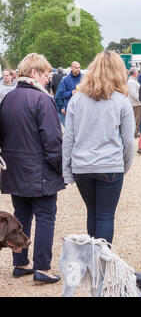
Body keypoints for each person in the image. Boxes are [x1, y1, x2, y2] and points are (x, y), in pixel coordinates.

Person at [0, 53, 64, 283]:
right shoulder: (43, 100)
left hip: (14, 169)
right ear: (35, 73)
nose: (48, 79)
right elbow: (53, 141)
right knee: (46, 217)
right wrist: (59, 169)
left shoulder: (8, 98)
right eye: (46, 74)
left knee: (21, 216)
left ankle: (20, 262)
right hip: (40, 171)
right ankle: (43, 268)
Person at [62, 50, 135, 245]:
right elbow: (128, 141)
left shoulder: (76, 99)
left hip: (82, 165)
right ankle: (102, 263)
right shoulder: (121, 101)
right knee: (105, 216)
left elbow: (68, 137)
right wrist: (125, 165)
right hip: (110, 165)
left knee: (93, 212)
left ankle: (93, 259)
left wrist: (67, 169)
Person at [55, 61, 82, 126]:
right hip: (69, 110)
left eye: (79, 67)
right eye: (76, 68)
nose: (78, 69)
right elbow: (60, 95)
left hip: (81, 109)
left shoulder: (84, 79)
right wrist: (71, 93)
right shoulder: (65, 80)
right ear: (71, 68)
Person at [128, 67, 141, 138]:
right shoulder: (131, 82)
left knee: (137, 121)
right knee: (135, 121)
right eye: (137, 72)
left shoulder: (133, 81)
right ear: (134, 73)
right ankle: (134, 134)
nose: (138, 73)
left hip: (136, 103)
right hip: (135, 104)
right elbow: (134, 93)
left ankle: (135, 134)